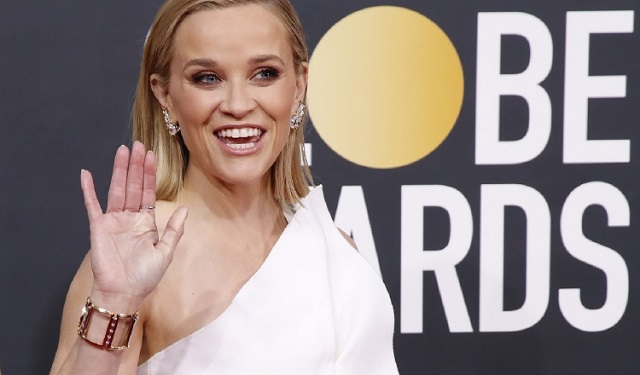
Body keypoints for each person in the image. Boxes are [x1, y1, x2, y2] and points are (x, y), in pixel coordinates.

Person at [50, 0, 398, 374]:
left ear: (299, 85)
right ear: (165, 95)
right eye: (207, 78)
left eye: (264, 74)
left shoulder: (338, 249)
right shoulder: (139, 257)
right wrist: (115, 301)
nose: (237, 104)